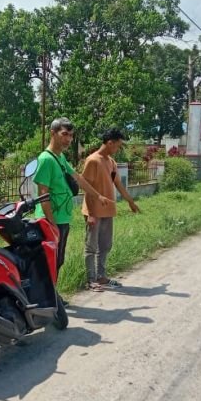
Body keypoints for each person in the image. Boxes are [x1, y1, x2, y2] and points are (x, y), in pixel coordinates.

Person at [33, 117, 112, 279]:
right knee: (50, 261)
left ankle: (52, 296)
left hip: (62, 218)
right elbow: (43, 194)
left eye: (70, 135)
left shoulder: (60, 158)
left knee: (58, 259)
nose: (68, 139)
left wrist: (97, 196)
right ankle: (47, 298)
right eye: (64, 134)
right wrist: (52, 223)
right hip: (50, 220)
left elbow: (78, 178)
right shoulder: (46, 159)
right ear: (53, 133)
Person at [81, 128, 140, 291]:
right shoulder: (93, 160)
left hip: (108, 211)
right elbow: (87, 188)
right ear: (109, 143)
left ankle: (101, 277)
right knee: (91, 247)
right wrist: (91, 214)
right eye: (118, 145)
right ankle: (91, 280)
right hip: (94, 212)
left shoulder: (111, 162)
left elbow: (118, 184)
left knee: (105, 245)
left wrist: (130, 202)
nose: (118, 149)